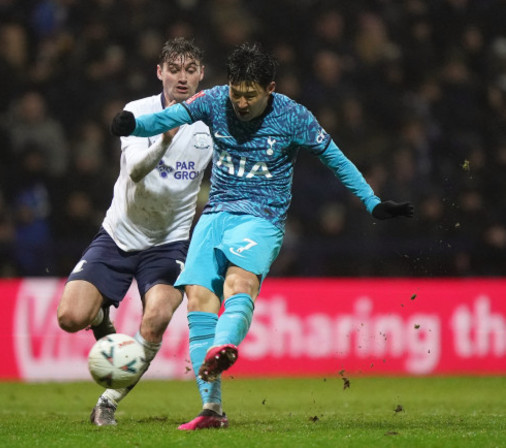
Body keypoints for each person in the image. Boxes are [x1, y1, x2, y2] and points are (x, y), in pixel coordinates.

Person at [110, 42, 414, 430]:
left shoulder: (293, 116)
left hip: (261, 219)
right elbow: (171, 117)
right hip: (216, 214)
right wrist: (132, 124)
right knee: (198, 298)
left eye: (250, 95)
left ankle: (225, 345)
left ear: (270, 88)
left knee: (239, 282)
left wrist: (372, 203)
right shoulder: (215, 99)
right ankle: (212, 409)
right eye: (237, 92)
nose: (240, 102)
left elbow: (335, 158)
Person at [56, 37, 213, 426]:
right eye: (173, 70)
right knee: (70, 317)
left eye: (190, 70)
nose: (181, 78)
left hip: (169, 243)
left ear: (201, 76)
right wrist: (165, 139)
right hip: (118, 236)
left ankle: (107, 403)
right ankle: (99, 317)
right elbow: (136, 172)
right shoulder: (137, 112)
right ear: (159, 72)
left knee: (157, 317)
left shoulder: (212, 122)